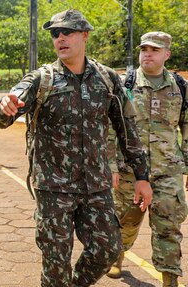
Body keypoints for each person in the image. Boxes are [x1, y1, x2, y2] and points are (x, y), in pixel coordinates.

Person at [0, 9, 153, 287]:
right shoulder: (41, 80)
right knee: (56, 262)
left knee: (108, 249)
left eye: (67, 32)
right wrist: (3, 108)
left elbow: (128, 131)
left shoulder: (107, 79)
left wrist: (142, 176)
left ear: (84, 35)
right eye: (55, 34)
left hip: (96, 186)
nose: (60, 38)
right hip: (54, 188)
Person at [106, 32, 188, 287]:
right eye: (144, 49)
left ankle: (169, 278)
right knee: (124, 221)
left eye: (154, 49)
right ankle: (117, 257)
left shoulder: (180, 87)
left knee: (168, 227)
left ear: (167, 54)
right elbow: (111, 125)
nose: (148, 53)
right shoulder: (125, 84)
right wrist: (110, 164)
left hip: (167, 170)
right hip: (130, 170)